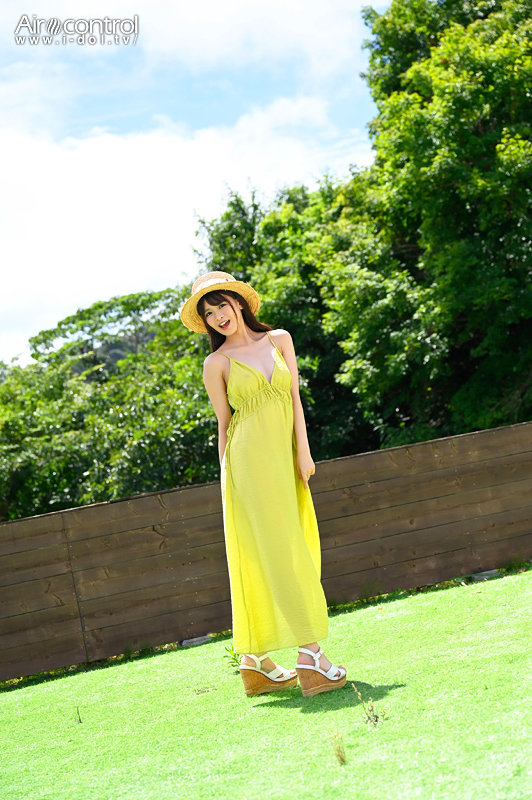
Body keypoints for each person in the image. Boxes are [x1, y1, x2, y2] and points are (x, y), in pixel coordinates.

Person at [180, 271, 346, 698]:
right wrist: (227, 480)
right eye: (209, 313)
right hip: (248, 468)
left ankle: (255, 661)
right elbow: (224, 425)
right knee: (279, 551)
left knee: (290, 546)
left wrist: (303, 451)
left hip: (285, 460)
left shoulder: (280, 340)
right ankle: (311, 655)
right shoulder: (215, 364)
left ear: (239, 303)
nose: (218, 316)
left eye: (222, 305)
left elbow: (294, 399)